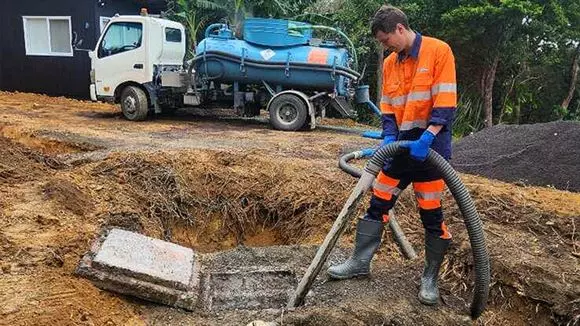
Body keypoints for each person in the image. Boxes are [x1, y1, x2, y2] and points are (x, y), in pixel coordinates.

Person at [327, 5, 457, 306]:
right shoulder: (390, 63)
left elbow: (446, 100)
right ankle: (359, 263)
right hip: (398, 150)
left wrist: (429, 135)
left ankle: (429, 279)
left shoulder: (439, 51)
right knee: (378, 202)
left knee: (431, 215)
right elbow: (388, 105)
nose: (385, 46)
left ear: (400, 28)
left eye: (386, 40)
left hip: (429, 152)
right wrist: (388, 136)